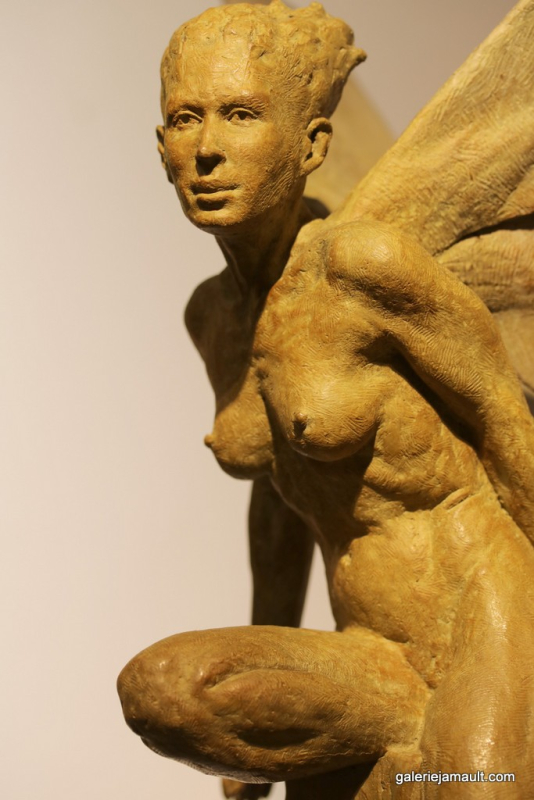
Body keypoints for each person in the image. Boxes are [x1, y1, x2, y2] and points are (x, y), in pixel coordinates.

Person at [118, 3, 534, 797]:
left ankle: (445, 746)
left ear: (311, 145)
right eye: (185, 119)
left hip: (484, 612)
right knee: (165, 691)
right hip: (371, 651)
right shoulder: (213, 318)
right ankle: (415, 734)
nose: (207, 149)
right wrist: (257, 706)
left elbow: (502, 418)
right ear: (161, 147)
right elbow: (281, 500)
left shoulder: (363, 266)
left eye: (241, 115)